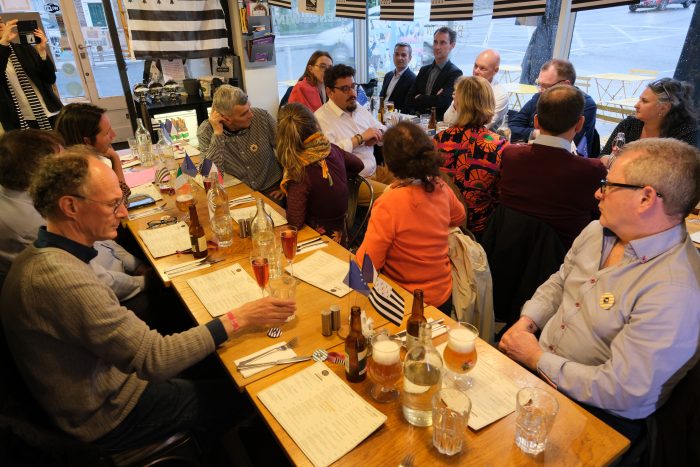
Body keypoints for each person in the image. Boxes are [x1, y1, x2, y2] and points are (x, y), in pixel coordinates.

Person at [0, 147, 296, 452]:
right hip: (110, 415)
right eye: (113, 204)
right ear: (70, 207)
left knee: (218, 360)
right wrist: (241, 317)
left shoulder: (47, 254)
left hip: (104, 386)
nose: (124, 213)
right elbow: (156, 358)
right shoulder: (61, 279)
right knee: (248, 393)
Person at [499, 138, 700, 442]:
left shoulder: (676, 290)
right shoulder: (598, 231)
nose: (597, 192)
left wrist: (536, 357)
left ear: (645, 199)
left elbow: (624, 393)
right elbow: (560, 281)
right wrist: (526, 324)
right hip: (535, 371)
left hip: (595, 417)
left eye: (607, 184)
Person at [356, 121, 466, 313]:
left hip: (404, 300)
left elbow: (366, 266)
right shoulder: (440, 186)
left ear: (389, 164)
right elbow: (459, 217)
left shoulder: (390, 201)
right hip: (443, 295)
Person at [498, 85, 606, 250]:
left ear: (536, 121)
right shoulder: (591, 170)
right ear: (580, 124)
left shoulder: (510, 155)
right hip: (561, 259)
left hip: (505, 249)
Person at [277, 103, 364, 246]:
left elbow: (295, 222)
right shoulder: (332, 150)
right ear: (315, 125)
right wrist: (335, 179)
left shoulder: (299, 172)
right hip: (343, 233)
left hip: (320, 242)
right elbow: (358, 165)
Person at [434, 76, 509, 236]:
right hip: (480, 232)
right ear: (489, 104)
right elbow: (501, 197)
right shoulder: (499, 146)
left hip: (440, 224)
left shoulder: (439, 140)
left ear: (456, 103)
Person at [315, 64, 390, 205]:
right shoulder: (320, 118)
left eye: (353, 86)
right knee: (395, 196)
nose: (353, 93)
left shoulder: (358, 109)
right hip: (351, 181)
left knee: (416, 181)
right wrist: (359, 139)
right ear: (330, 92)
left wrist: (377, 135)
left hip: (376, 171)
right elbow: (328, 156)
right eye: (345, 89)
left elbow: (384, 130)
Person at [198, 85, 284, 201]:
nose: (251, 114)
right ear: (226, 119)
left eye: (249, 108)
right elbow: (210, 177)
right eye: (244, 114)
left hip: (273, 189)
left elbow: (290, 150)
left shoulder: (261, 117)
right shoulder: (207, 131)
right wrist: (218, 134)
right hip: (239, 194)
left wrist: (287, 184)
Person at [510, 59, 599, 157]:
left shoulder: (585, 105)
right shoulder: (539, 96)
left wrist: (536, 135)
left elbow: (570, 145)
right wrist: (535, 133)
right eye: (539, 84)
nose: (540, 90)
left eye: (547, 86)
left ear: (565, 85)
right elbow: (512, 127)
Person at [601, 78, 697, 157]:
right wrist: (609, 158)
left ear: (664, 108)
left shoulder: (685, 134)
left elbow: (679, 173)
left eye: (644, 101)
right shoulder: (629, 124)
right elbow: (603, 155)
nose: (636, 105)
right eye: (639, 99)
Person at [54, 103, 129, 198]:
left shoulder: (66, 160)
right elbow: (122, 199)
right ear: (87, 141)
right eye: (107, 133)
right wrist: (115, 157)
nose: (113, 135)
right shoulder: (87, 174)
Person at [0, 16, 62, 131]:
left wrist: (42, 51)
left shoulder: (24, 49)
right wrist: (3, 43)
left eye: (0, 22)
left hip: (49, 111)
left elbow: (50, 79)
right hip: (19, 120)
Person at [405, 27, 463, 121]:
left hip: (437, 124)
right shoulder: (424, 70)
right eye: (435, 42)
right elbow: (409, 100)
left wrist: (420, 98)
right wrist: (434, 99)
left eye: (442, 43)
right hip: (416, 120)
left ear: (452, 45)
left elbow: (443, 102)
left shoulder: (455, 73)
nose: (437, 47)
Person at [443, 49, 509, 130]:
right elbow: (446, 121)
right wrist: (455, 106)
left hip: (485, 140)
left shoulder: (500, 94)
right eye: (475, 66)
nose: (476, 71)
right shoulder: (466, 86)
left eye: (482, 68)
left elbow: (484, 126)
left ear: (496, 70)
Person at [379, 42, 416, 113]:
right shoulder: (388, 75)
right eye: (397, 54)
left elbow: (407, 107)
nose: (399, 58)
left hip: (396, 118)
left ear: (410, 58)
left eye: (403, 55)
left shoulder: (413, 79)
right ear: (393, 56)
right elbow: (381, 97)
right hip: (381, 115)